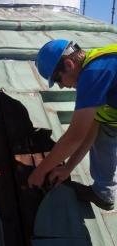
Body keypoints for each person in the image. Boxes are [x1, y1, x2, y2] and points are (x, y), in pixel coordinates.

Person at [28, 39, 117, 211]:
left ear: (69, 65)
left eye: (58, 79)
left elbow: (74, 137)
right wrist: (68, 168)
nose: (61, 87)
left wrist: (39, 172)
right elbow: (91, 130)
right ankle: (103, 195)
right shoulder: (97, 63)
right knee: (103, 127)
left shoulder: (93, 74)